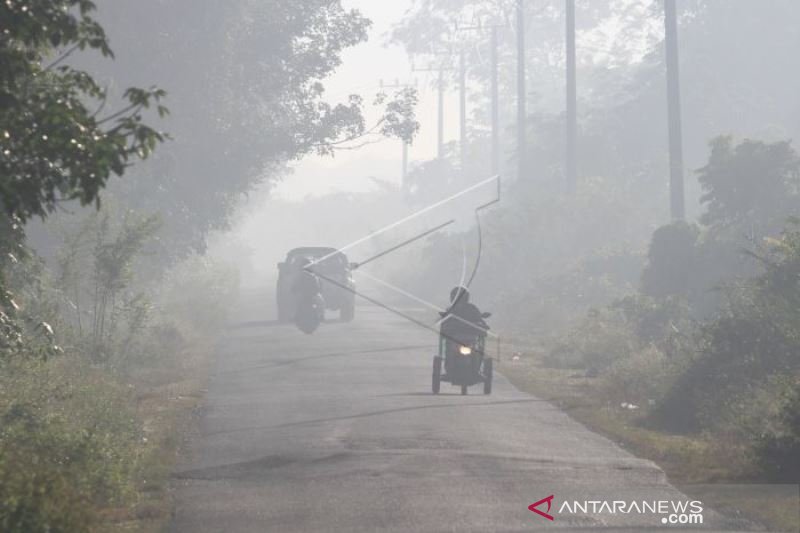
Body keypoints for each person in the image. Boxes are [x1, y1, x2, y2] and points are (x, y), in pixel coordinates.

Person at [440, 286, 489, 374]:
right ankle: (449, 367)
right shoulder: (450, 309)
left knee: (478, 349)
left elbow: (479, 320)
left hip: (470, 338)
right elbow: (445, 322)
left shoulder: (472, 308)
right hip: (455, 338)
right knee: (449, 348)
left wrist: (483, 326)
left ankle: (476, 367)